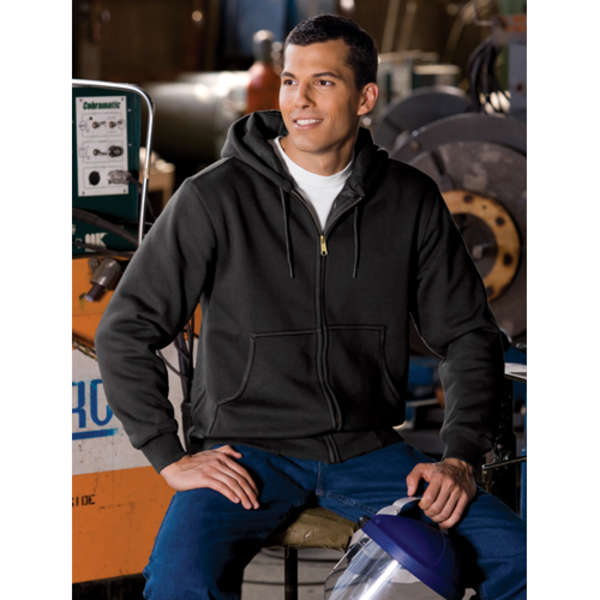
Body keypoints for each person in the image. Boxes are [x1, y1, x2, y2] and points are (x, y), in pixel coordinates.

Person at [95, 14, 526, 600]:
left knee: (524, 561)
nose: (300, 99)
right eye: (290, 81)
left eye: (323, 82)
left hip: (369, 452)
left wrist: (458, 458)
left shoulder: (409, 200)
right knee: (178, 582)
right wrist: (168, 455)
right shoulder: (214, 197)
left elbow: (468, 335)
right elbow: (126, 329)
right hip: (246, 455)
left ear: (365, 97)